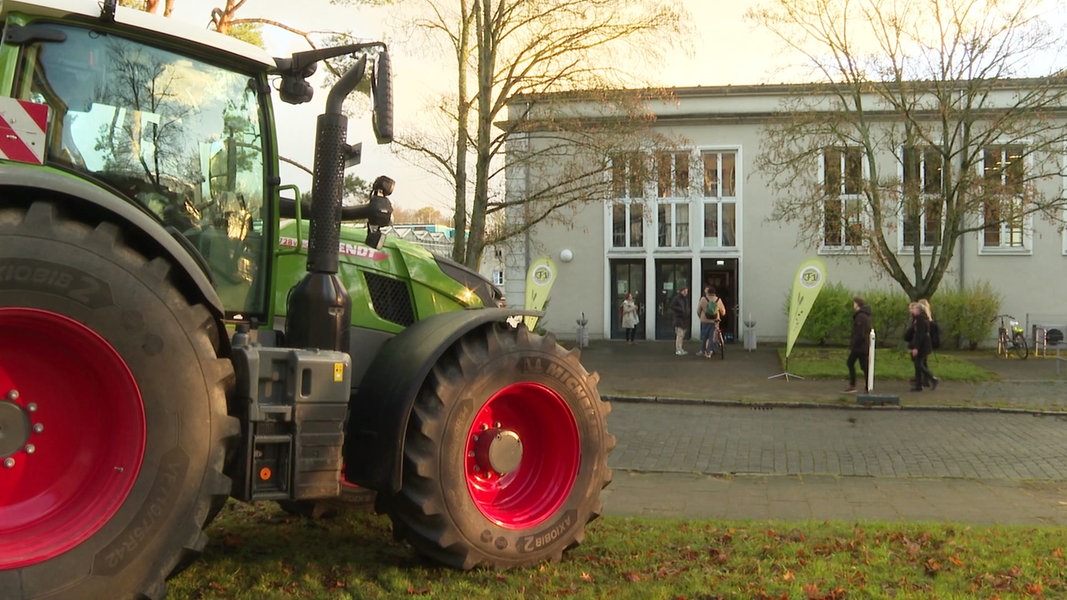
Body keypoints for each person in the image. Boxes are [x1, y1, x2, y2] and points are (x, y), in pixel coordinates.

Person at [907, 301, 939, 392]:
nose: (912, 310)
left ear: (918, 310)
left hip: (922, 346)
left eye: (914, 308)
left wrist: (916, 347)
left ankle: (932, 378)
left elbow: (919, 335)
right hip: (924, 345)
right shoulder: (923, 318)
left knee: (918, 364)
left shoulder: (920, 320)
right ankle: (919, 385)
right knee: (918, 364)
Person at [844, 296, 872, 393]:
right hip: (862, 346)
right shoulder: (865, 316)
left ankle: (855, 385)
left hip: (860, 346)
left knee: (853, 363)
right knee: (862, 366)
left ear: (857, 304)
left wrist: (854, 344)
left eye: (854, 303)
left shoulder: (860, 317)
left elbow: (860, 333)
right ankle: (866, 385)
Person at [697, 286, 726, 358]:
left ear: (708, 292)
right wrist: (720, 314)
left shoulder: (703, 299)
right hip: (715, 321)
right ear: (714, 292)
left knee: (704, 336)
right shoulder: (718, 300)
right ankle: (709, 352)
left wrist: (701, 317)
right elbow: (723, 311)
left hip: (705, 321)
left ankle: (702, 350)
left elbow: (698, 310)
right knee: (712, 337)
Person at [669, 286, 690, 356]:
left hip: (684, 319)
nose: (686, 293)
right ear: (681, 291)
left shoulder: (685, 299)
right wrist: (681, 310)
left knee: (682, 335)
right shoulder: (677, 298)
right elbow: (672, 306)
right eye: (684, 291)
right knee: (679, 335)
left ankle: (680, 348)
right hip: (679, 319)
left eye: (687, 291)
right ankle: (678, 349)